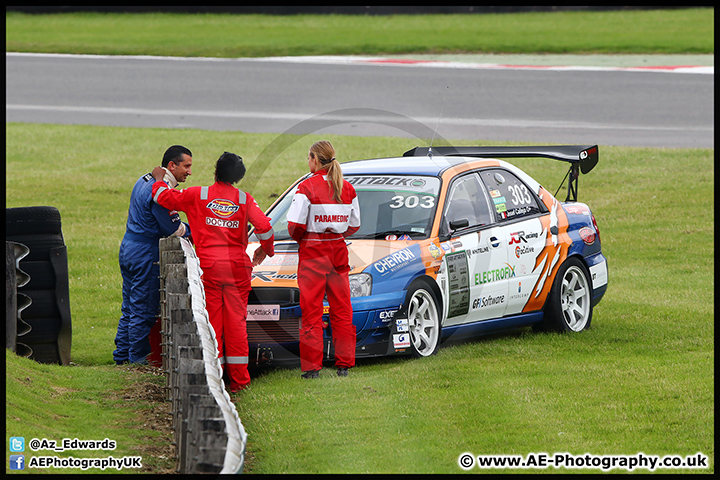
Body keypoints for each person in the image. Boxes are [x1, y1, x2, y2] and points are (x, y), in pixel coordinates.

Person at [150, 152, 274, 392]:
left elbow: (162, 197)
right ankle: (240, 382)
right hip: (238, 269)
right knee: (237, 325)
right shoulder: (244, 199)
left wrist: (158, 178)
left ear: (216, 171)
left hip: (211, 269)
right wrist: (265, 251)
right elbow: (265, 227)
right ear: (238, 177)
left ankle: (214, 381)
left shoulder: (198, 195)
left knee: (213, 325)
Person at [286, 140, 361, 379]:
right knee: (342, 309)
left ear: (315, 160)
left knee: (311, 311)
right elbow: (354, 225)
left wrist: (305, 239)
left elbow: (295, 226)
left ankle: (312, 369)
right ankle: (344, 365)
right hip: (338, 250)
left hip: (312, 252)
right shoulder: (347, 188)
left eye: (309, 158)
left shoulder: (305, 187)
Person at [114, 145, 193, 365]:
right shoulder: (161, 190)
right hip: (145, 253)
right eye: (186, 166)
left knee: (129, 307)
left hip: (129, 247)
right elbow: (173, 228)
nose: (189, 172)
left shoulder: (143, 179)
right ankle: (136, 361)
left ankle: (122, 357)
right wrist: (196, 230)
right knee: (144, 310)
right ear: (172, 165)